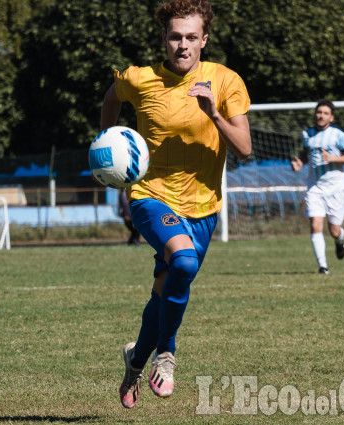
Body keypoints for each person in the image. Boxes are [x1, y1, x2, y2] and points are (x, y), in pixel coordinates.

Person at [97, 0, 251, 409]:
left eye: (190, 37)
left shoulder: (225, 81)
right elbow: (111, 100)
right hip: (150, 196)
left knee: (165, 291)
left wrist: (214, 114)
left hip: (204, 207)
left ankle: (136, 361)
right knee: (181, 262)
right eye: (174, 36)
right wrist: (109, 144)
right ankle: (167, 353)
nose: (182, 45)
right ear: (164, 39)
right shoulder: (140, 79)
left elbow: (245, 148)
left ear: (204, 39)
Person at [291, 100, 344, 275]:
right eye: (319, 112)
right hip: (315, 187)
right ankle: (323, 267)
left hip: (335, 187)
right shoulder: (307, 134)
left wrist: (333, 159)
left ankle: (339, 239)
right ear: (315, 114)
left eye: (325, 113)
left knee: (333, 230)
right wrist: (299, 163)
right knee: (315, 224)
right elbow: (306, 154)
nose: (321, 115)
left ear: (331, 117)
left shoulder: (338, 135)